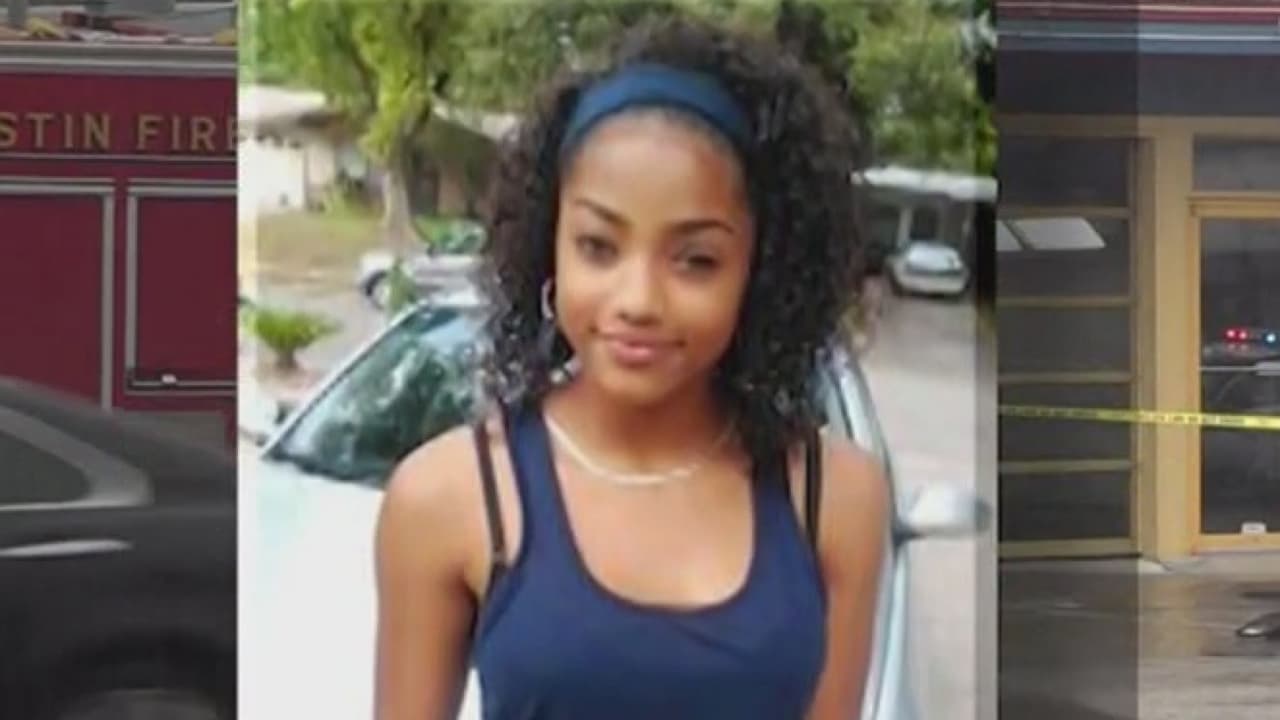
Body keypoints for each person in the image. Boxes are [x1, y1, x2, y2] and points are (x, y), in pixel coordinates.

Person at [375, 16, 889, 720]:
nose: (639, 300)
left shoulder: (836, 498)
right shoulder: (448, 498)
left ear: (758, 272)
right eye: (598, 246)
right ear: (549, 246)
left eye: (696, 260)